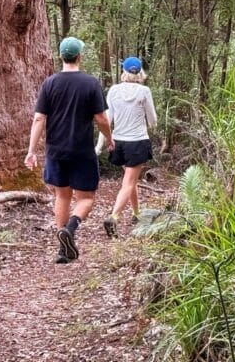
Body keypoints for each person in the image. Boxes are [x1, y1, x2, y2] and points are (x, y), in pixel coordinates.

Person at [25, 37, 114, 264]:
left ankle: (62, 249)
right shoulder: (90, 83)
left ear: (61, 57)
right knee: (86, 197)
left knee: (61, 195)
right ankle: (71, 229)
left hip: (56, 151)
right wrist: (109, 139)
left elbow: (38, 119)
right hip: (82, 150)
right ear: (79, 56)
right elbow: (101, 118)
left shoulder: (50, 84)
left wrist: (31, 150)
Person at [95, 56, 157, 238]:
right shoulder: (144, 91)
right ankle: (114, 217)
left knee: (130, 180)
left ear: (123, 71)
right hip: (137, 142)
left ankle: (136, 213)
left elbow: (106, 121)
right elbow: (152, 120)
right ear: (140, 73)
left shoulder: (114, 91)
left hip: (119, 143)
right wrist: (150, 124)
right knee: (129, 182)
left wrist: (99, 146)